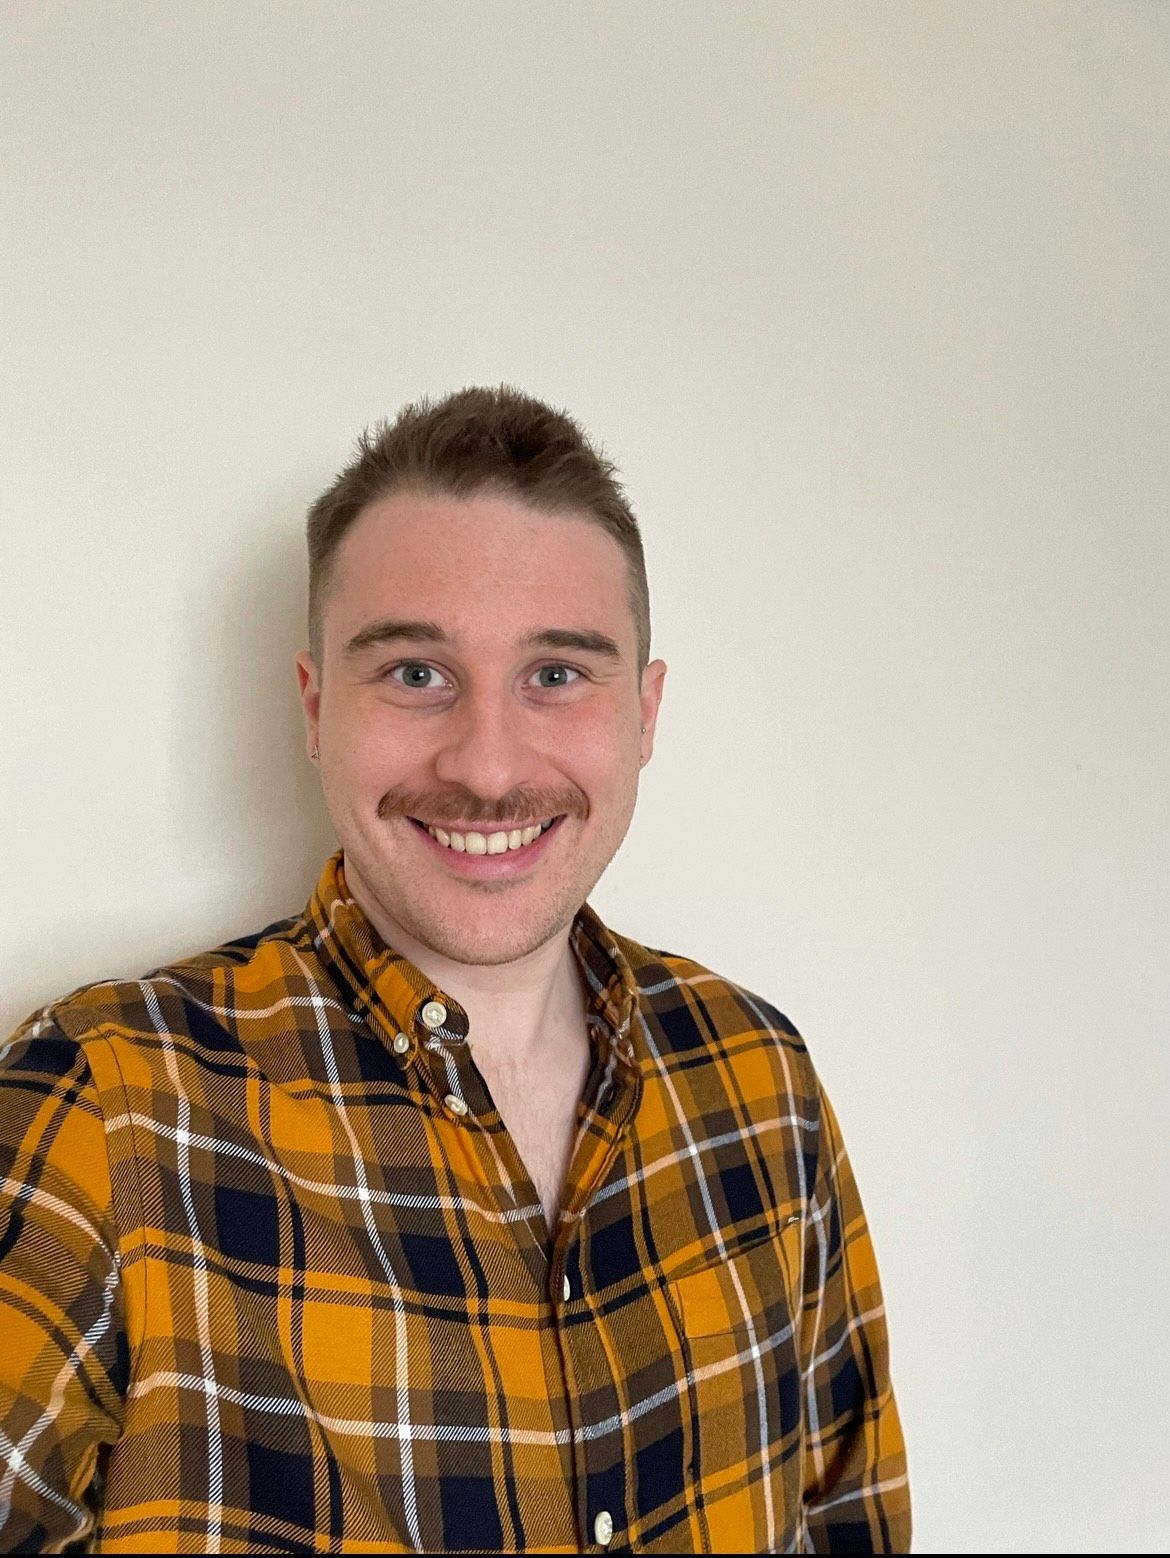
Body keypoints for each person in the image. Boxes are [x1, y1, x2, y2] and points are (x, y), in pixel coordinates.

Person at [0, 385, 911, 1553]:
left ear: (644, 712)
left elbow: (851, 1514)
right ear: (317, 705)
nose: (487, 766)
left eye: (557, 674)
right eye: (417, 674)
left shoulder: (761, 1081)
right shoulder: (106, 1110)